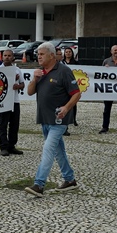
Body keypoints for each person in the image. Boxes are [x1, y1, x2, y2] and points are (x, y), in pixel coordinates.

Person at [25, 42, 81, 197]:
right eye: (38, 54)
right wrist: (34, 79)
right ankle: (70, 180)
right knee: (58, 151)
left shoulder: (64, 71)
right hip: (44, 119)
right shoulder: (40, 72)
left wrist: (66, 108)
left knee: (48, 150)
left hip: (59, 121)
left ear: (51, 55)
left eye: (41, 54)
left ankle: (39, 184)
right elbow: (29, 92)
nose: (39, 56)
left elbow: (77, 93)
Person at [0, 49, 25, 156]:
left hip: (15, 100)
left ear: (13, 57)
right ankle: (3, 146)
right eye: (5, 55)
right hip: (3, 101)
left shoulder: (17, 70)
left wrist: (18, 86)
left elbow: (22, 84)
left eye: (9, 55)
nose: (7, 57)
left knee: (14, 124)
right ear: (2, 56)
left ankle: (11, 145)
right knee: (3, 124)